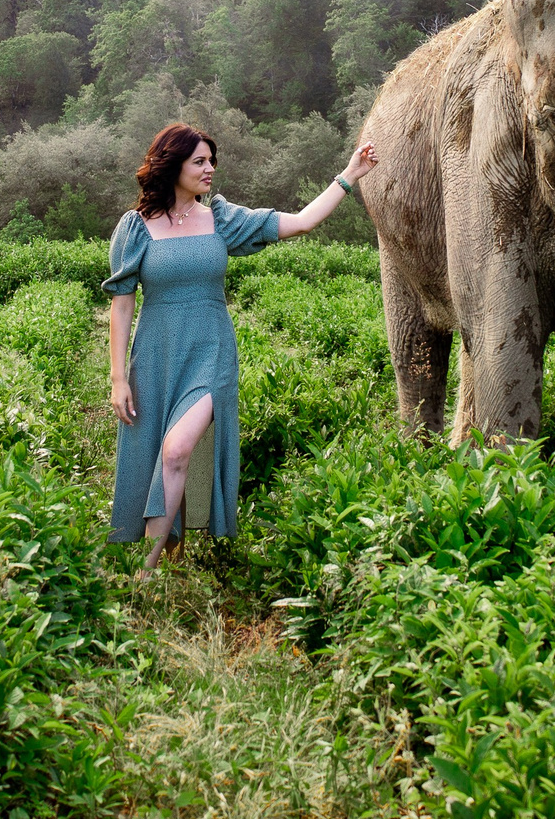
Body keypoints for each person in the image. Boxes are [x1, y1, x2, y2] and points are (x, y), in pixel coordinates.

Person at [105, 123, 380, 577]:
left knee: (175, 452)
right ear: (172, 164)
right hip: (154, 358)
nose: (210, 169)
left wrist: (349, 175)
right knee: (156, 452)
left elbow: (302, 221)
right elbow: (121, 305)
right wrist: (117, 378)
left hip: (210, 356)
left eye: (212, 160)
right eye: (200, 161)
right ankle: (162, 560)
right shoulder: (135, 228)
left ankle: (145, 575)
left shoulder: (221, 218)